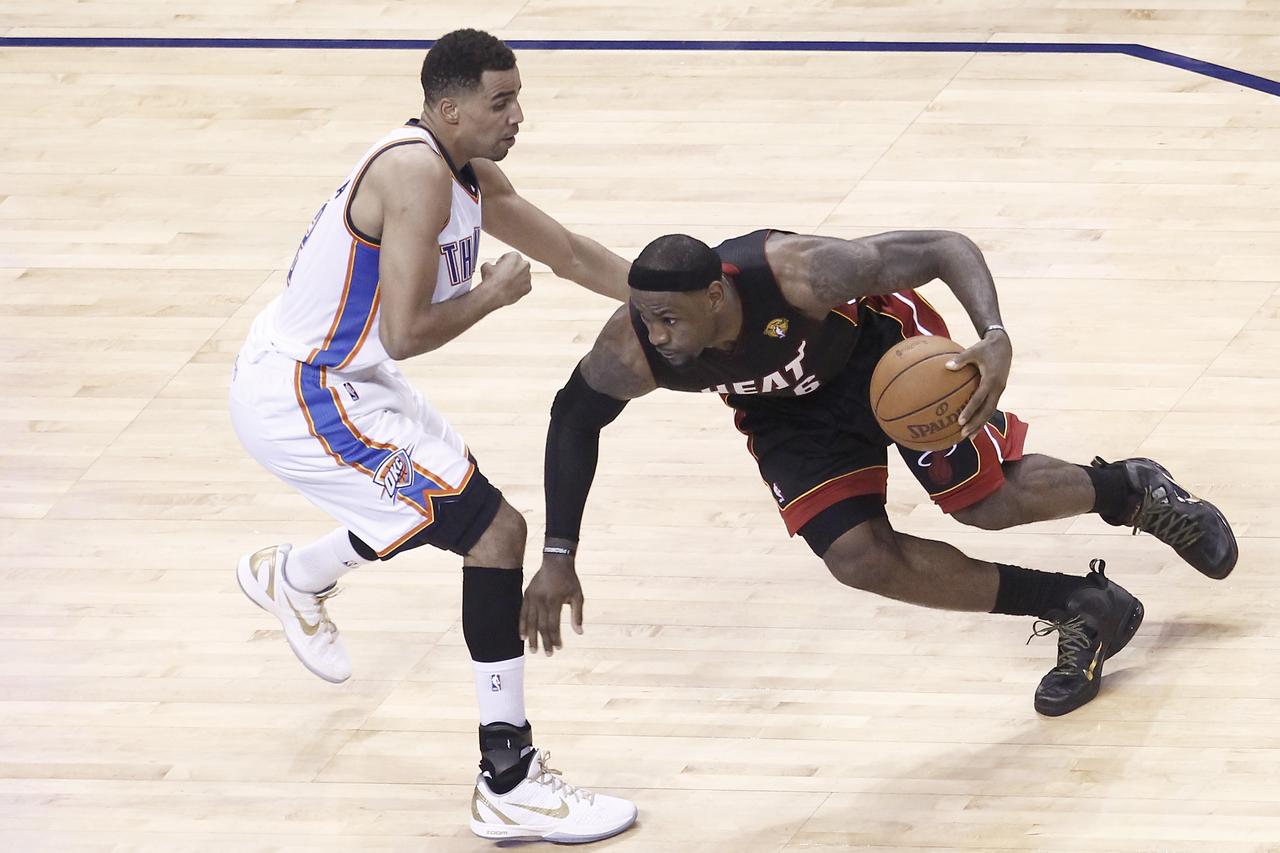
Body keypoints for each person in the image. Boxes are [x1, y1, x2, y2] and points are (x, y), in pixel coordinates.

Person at [527, 228, 1237, 717]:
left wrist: (993, 335)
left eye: (669, 321)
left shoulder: (797, 272)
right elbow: (573, 415)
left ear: (716, 296)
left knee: (985, 502)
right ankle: (1082, 604)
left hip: (883, 356)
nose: (657, 338)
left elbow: (941, 248)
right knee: (858, 558)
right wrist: (559, 553)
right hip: (788, 415)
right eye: (646, 320)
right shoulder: (638, 346)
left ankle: (1132, 490)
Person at [229, 29, 636, 844]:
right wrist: (492, 295)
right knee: (493, 531)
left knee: (443, 505)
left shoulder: (469, 173)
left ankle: (294, 574)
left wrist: (678, 304)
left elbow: (568, 252)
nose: (517, 114)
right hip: (306, 394)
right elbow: (408, 330)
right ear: (447, 108)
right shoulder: (414, 174)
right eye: (501, 100)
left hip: (353, 380)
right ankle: (508, 780)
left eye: (517, 96)